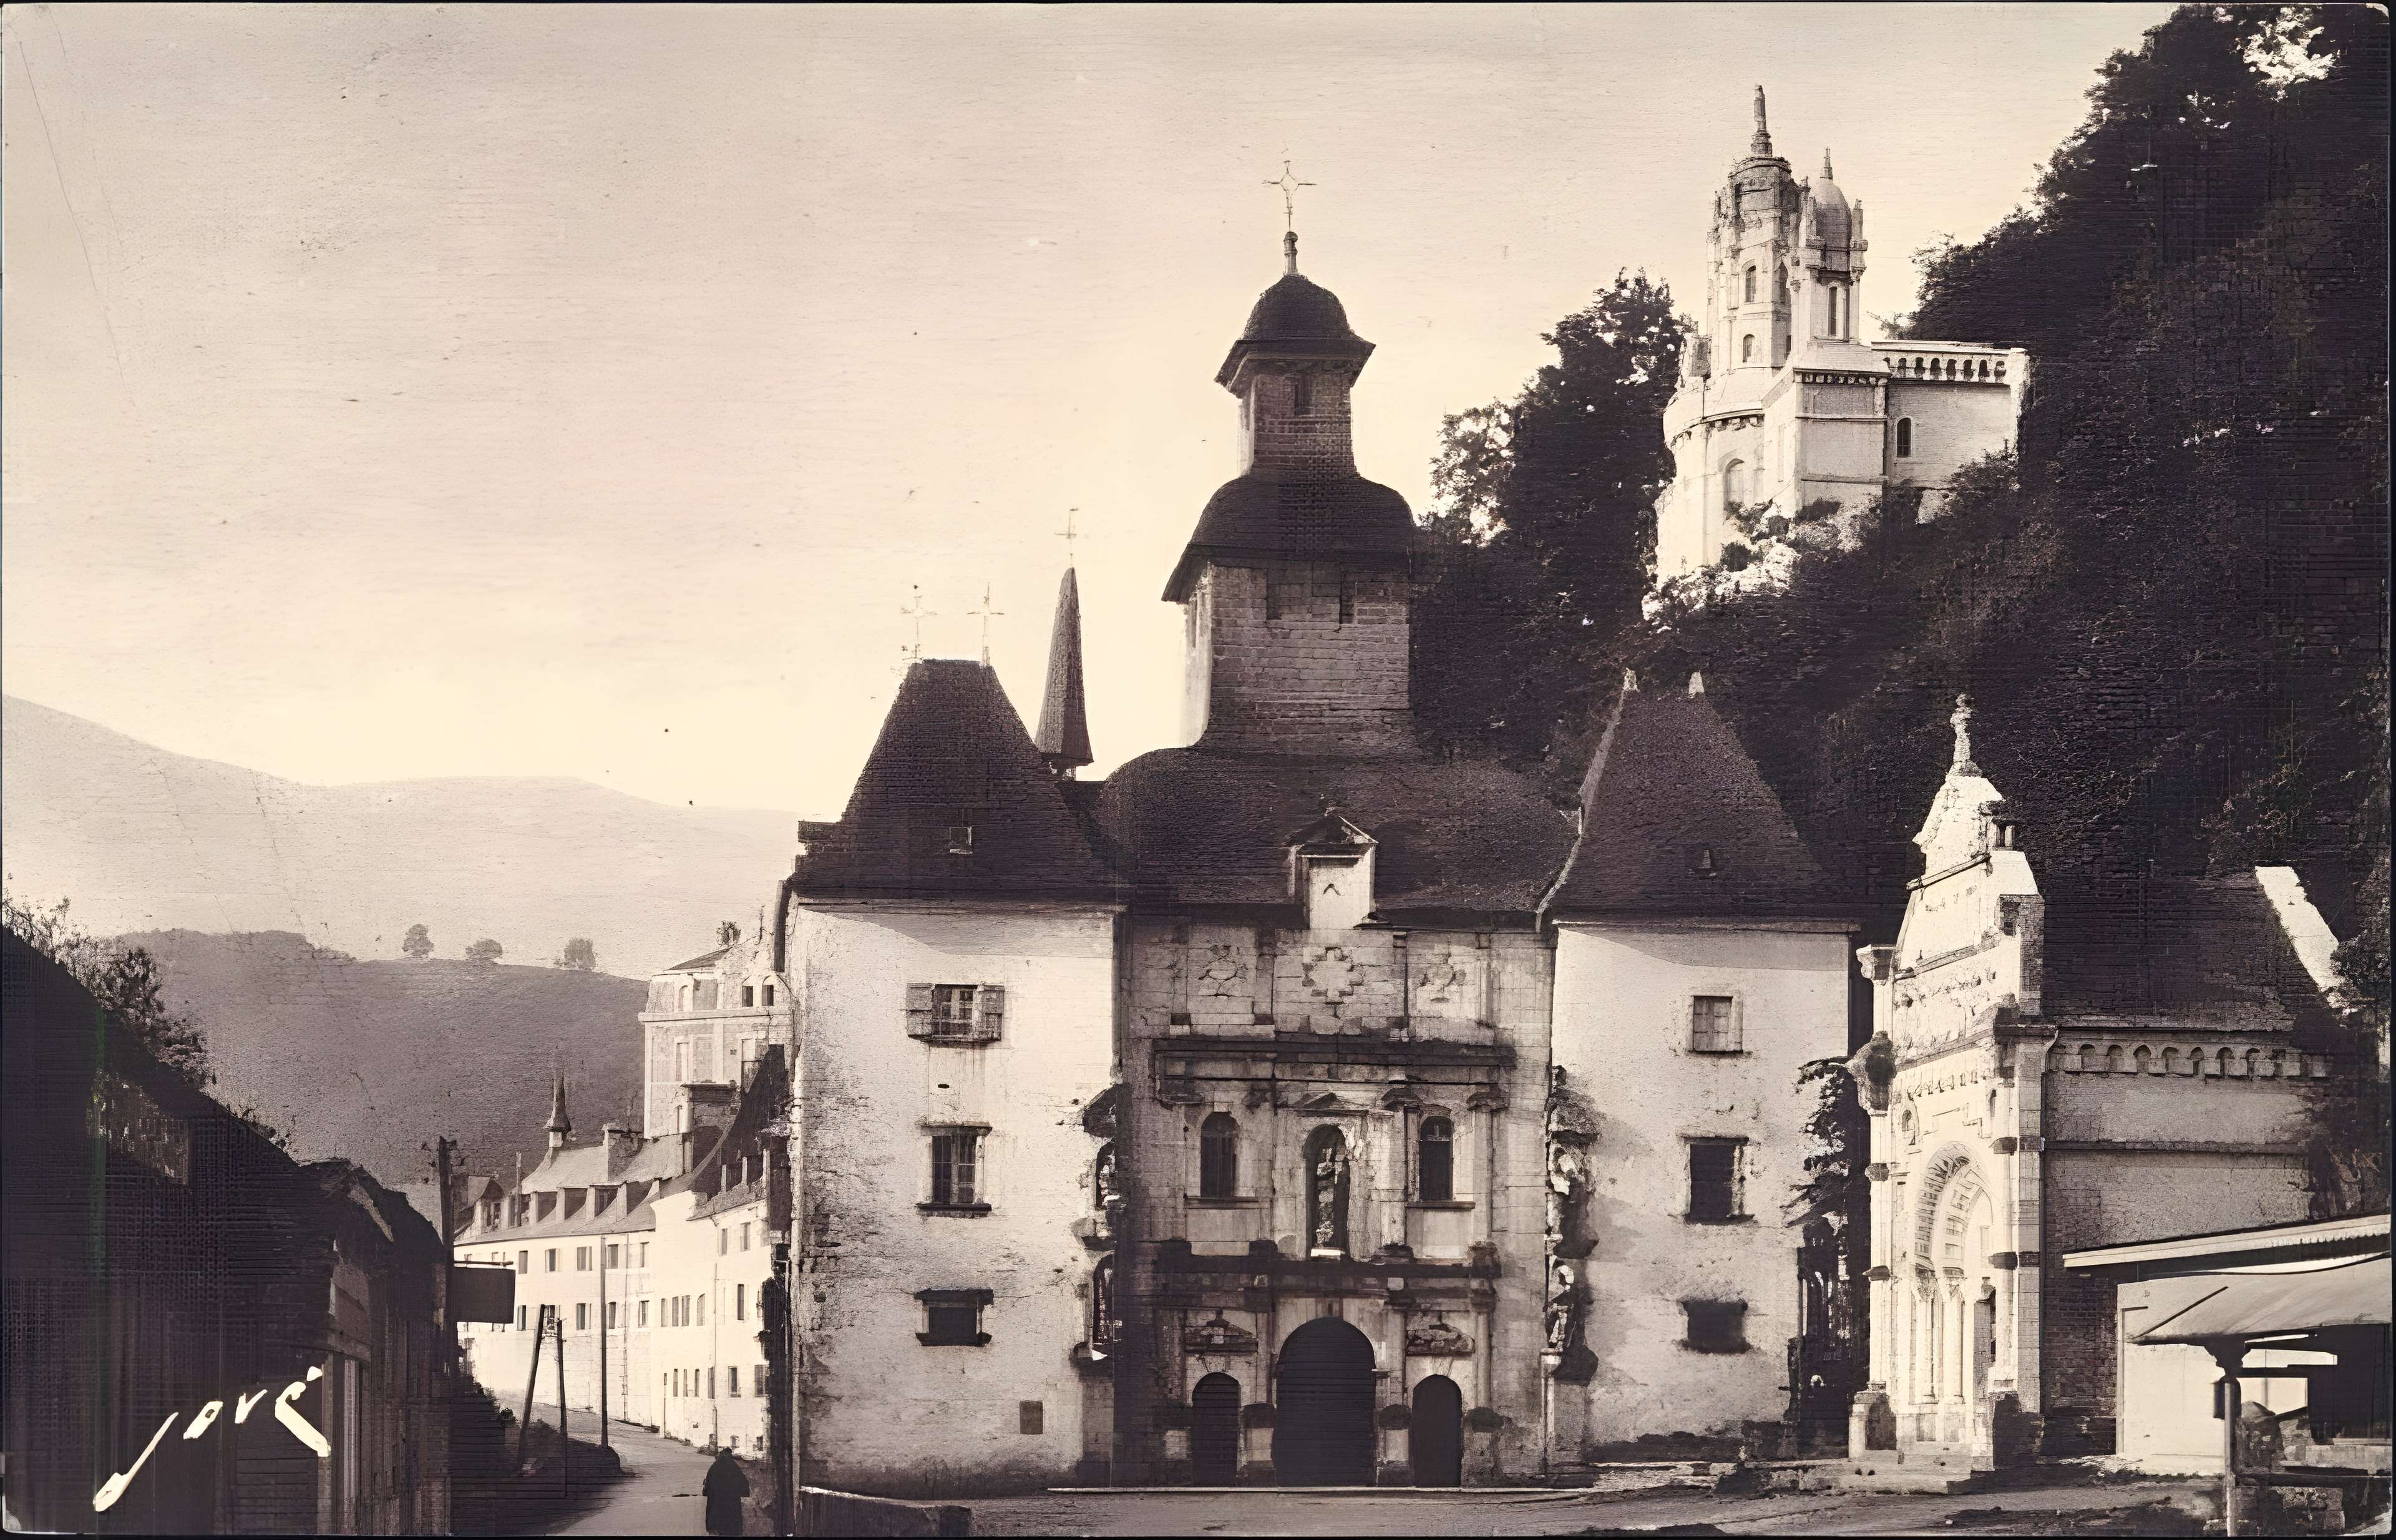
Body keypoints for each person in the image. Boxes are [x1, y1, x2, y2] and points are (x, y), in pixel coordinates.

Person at [703, 1446, 750, 1537]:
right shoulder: (733, 1466)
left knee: (716, 1513)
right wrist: (743, 1493)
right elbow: (744, 1482)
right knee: (730, 1515)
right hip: (731, 1498)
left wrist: (708, 1493)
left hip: (716, 1497)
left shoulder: (715, 1466)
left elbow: (708, 1482)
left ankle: (716, 1529)